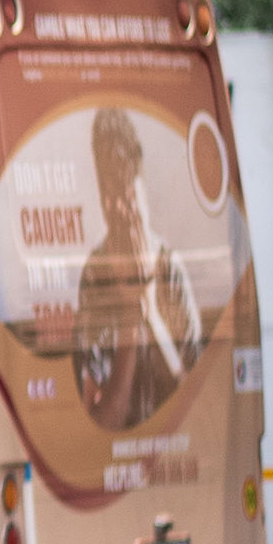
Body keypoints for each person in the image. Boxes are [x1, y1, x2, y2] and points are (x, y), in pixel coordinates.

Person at [71, 103, 201, 430]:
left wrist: (151, 314)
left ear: (142, 193)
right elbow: (105, 421)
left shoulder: (170, 269)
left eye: (126, 196)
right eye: (108, 196)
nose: (117, 210)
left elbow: (195, 402)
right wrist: (132, 316)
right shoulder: (95, 274)